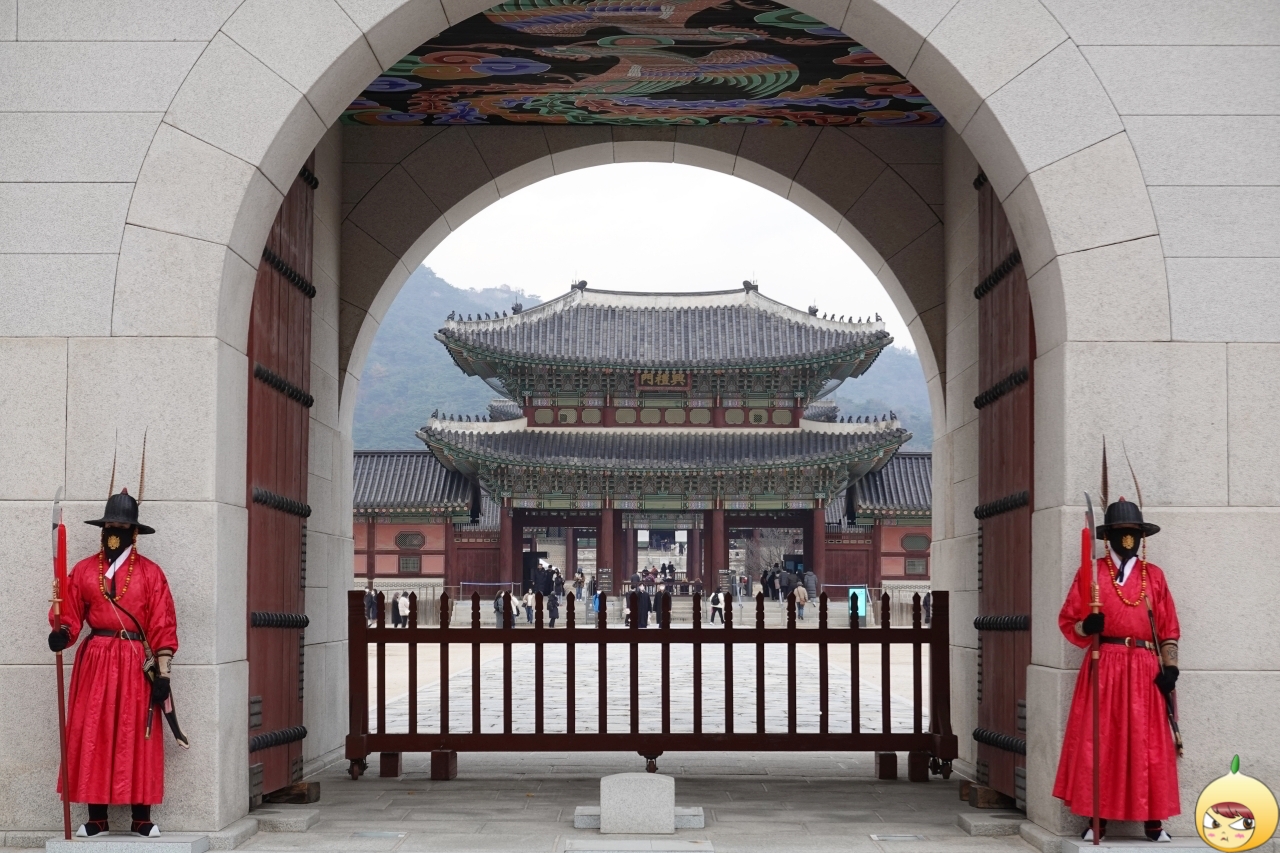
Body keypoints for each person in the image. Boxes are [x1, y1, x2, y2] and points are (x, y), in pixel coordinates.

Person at [47, 488, 179, 838]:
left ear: (134, 533)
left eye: (122, 527)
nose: (114, 533)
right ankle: (97, 818)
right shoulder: (83, 570)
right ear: (102, 530)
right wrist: (62, 633)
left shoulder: (151, 574)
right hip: (96, 660)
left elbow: (163, 624)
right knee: (94, 730)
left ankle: (141, 817)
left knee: (138, 733)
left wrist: (163, 674)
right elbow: (70, 614)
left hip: (136, 661)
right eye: (110, 527)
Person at [1054, 497, 1181, 843]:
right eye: (1122, 532)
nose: (1128, 539)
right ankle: (1097, 819)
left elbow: (1168, 627)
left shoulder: (1154, 576)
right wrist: (1088, 625)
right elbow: (1069, 621)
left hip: (1145, 668)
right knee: (1100, 741)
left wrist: (1170, 668)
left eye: (1134, 532)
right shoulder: (1092, 573)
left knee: (1149, 743)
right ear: (1108, 536)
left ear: (1142, 537)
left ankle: (1153, 820)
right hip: (1105, 664)